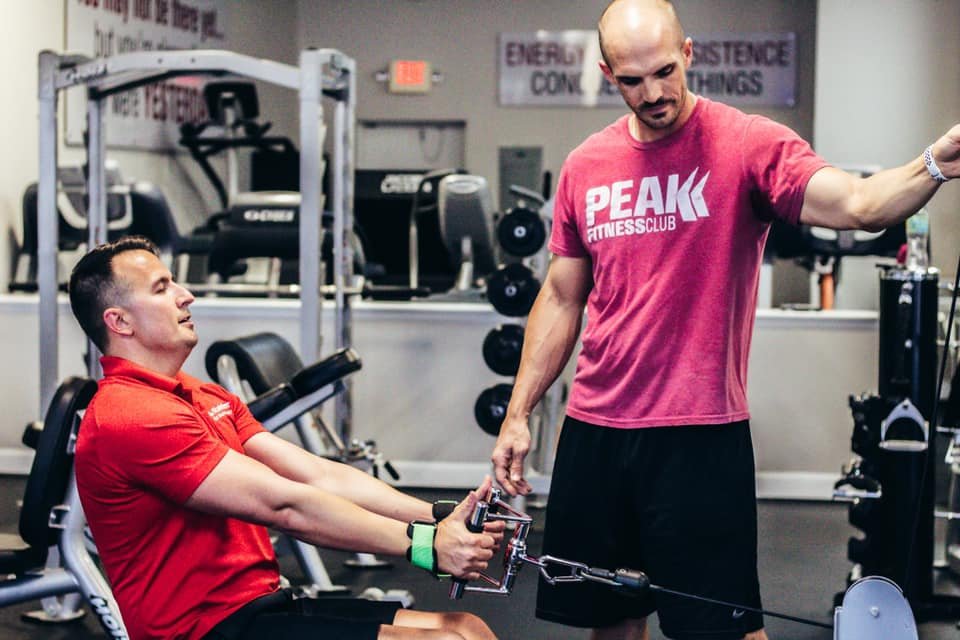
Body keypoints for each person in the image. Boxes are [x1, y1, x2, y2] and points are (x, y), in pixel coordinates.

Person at [490, 1, 960, 639]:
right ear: (607, 75)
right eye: (632, 81)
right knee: (611, 623)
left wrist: (935, 163)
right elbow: (561, 296)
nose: (653, 94)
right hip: (596, 431)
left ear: (687, 54)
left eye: (664, 71)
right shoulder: (585, 165)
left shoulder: (746, 144)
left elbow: (858, 204)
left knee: (726, 631)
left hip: (699, 435)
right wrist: (518, 413)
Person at [68, 236, 501, 640]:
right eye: (162, 288)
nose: (186, 295)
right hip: (205, 631)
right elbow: (284, 505)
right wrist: (425, 545)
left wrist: (438, 516)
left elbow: (316, 475)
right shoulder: (130, 415)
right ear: (119, 321)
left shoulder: (202, 394)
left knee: (466, 628)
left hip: (261, 606)